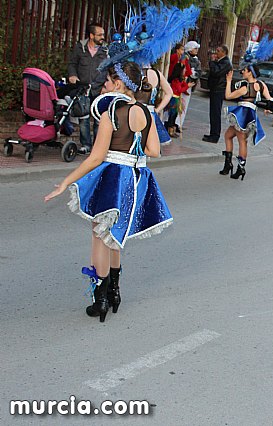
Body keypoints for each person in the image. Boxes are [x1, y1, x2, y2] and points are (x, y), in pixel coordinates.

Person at [44, 62, 172, 322]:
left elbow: (94, 158)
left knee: (98, 236)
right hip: (135, 181)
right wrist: (131, 151)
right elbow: (154, 151)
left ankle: (100, 298)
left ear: (118, 84)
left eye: (106, 82)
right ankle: (114, 292)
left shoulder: (110, 115)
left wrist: (65, 182)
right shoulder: (146, 113)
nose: (103, 86)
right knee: (114, 235)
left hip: (113, 178)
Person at [219, 35, 273, 180]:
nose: (242, 72)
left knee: (241, 141)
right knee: (228, 136)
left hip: (242, 114)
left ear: (250, 72)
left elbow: (228, 96)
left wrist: (228, 81)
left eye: (244, 70)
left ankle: (240, 168)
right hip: (250, 114)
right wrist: (268, 108)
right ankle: (229, 165)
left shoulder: (245, 88)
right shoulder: (260, 84)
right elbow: (270, 98)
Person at [67, 22, 108, 154]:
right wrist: (72, 75)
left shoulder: (106, 50)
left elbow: (110, 68)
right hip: (83, 88)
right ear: (91, 35)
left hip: (99, 88)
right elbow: (72, 64)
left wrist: (106, 85)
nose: (103, 37)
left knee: (98, 120)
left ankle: (97, 147)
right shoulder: (80, 47)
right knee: (83, 118)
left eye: (103, 34)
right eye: (99, 34)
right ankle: (86, 145)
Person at [136, 66, 173, 145]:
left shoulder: (135, 72)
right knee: (150, 143)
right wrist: (157, 109)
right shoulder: (157, 73)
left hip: (137, 112)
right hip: (151, 113)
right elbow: (169, 93)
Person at [203, 45, 232, 143]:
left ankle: (215, 135)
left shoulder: (226, 63)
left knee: (216, 113)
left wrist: (212, 61)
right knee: (213, 113)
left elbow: (216, 72)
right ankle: (212, 133)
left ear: (224, 52)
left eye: (218, 51)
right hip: (214, 89)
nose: (216, 53)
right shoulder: (220, 62)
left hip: (218, 90)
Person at [166, 62, 196, 137]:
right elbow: (180, 90)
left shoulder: (179, 80)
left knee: (175, 115)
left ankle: (172, 129)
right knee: (172, 115)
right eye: (184, 70)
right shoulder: (175, 80)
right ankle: (170, 130)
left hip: (177, 99)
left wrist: (186, 83)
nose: (185, 71)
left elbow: (182, 86)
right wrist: (187, 86)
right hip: (174, 99)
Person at [178, 40, 202, 130]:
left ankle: (179, 123)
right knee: (179, 103)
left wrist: (195, 74)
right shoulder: (185, 58)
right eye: (195, 48)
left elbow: (198, 71)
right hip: (183, 83)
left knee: (185, 104)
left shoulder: (196, 59)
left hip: (190, 84)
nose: (196, 50)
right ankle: (176, 123)